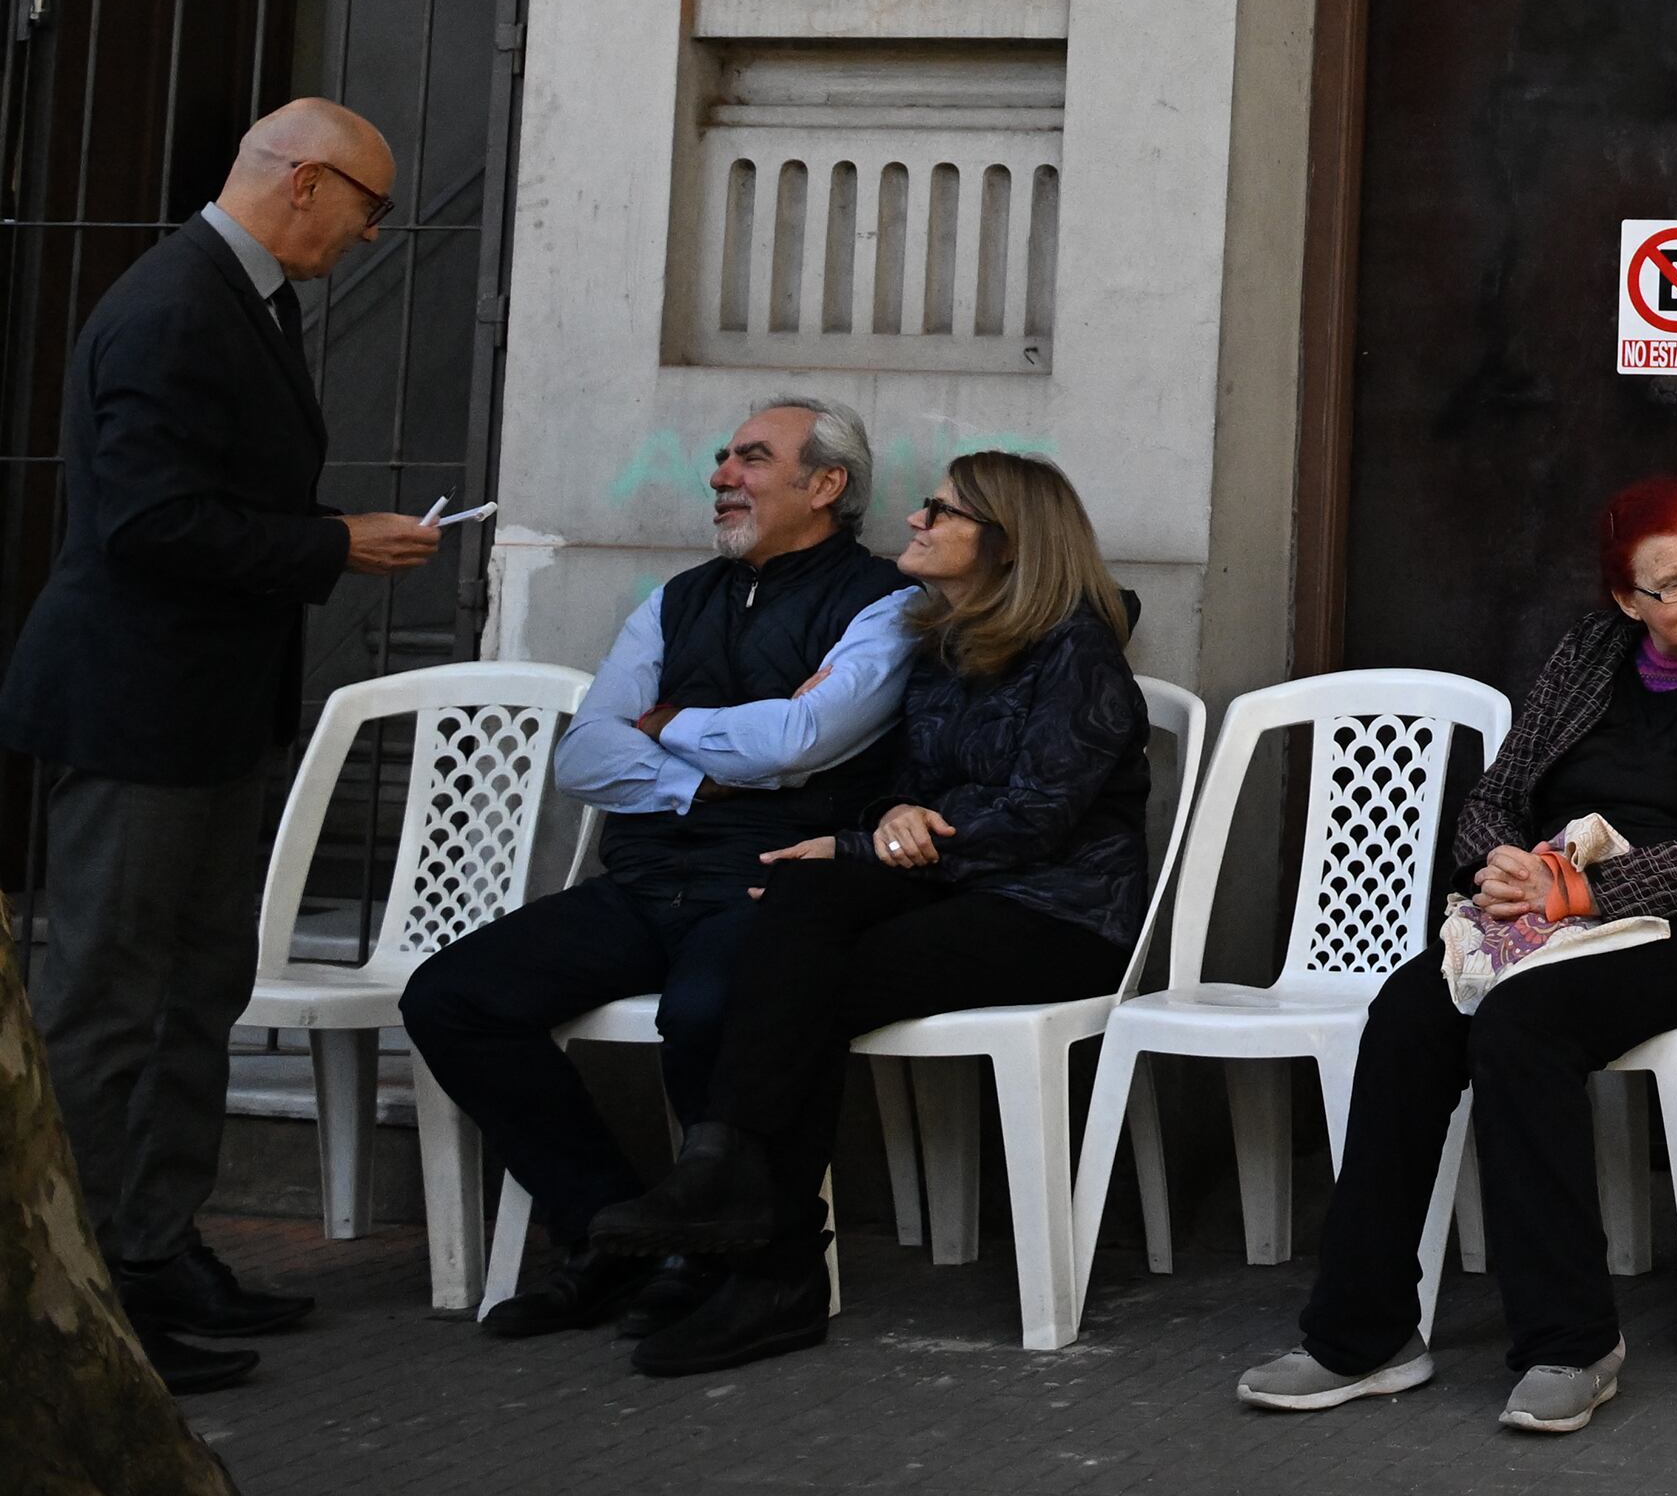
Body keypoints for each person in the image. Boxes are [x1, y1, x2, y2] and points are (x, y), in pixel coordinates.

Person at [0, 99, 446, 1396]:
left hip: (199, 714)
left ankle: (153, 1250)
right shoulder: (175, 306)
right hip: (134, 714)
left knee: (193, 995)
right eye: (367, 209)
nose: (369, 237)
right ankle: (68, 1296)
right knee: (108, 1003)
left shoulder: (242, 298)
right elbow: (148, 524)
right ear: (306, 183)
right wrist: (333, 545)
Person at [1237, 476, 1677, 1439]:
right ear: (1625, 601)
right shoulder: (1592, 651)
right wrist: (1501, 865)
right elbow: (1500, 787)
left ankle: (1570, 1342)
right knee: (1409, 1015)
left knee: (1524, 1025)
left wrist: (1589, 894)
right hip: (1558, 912)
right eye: (1675, 583)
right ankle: (1364, 1334)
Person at [579, 450, 1152, 1377]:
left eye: (941, 512)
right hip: (955, 886)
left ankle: (766, 1253)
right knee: (799, 913)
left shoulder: (1077, 651)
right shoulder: (942, 643)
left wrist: (868, 845)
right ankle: (732, 1188)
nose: (916, 523)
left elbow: (1039, 822)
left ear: (1007, 547)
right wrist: (879, 822)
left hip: (1059, 917)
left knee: (809, 980)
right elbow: (902, 793)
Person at [402, 398, 916, 1340]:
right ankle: (604, 1233)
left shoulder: (885, 601)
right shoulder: (677, 599)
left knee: (708, 1014)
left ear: (826, 485)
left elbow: (805, 737)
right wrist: (705, 785)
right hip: (645, 878)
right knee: (452, 997)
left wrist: (668, 725)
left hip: (772, 880)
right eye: (723, 458)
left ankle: (712, 1259)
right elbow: (585, 756)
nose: (722, 475)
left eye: (753, 460)